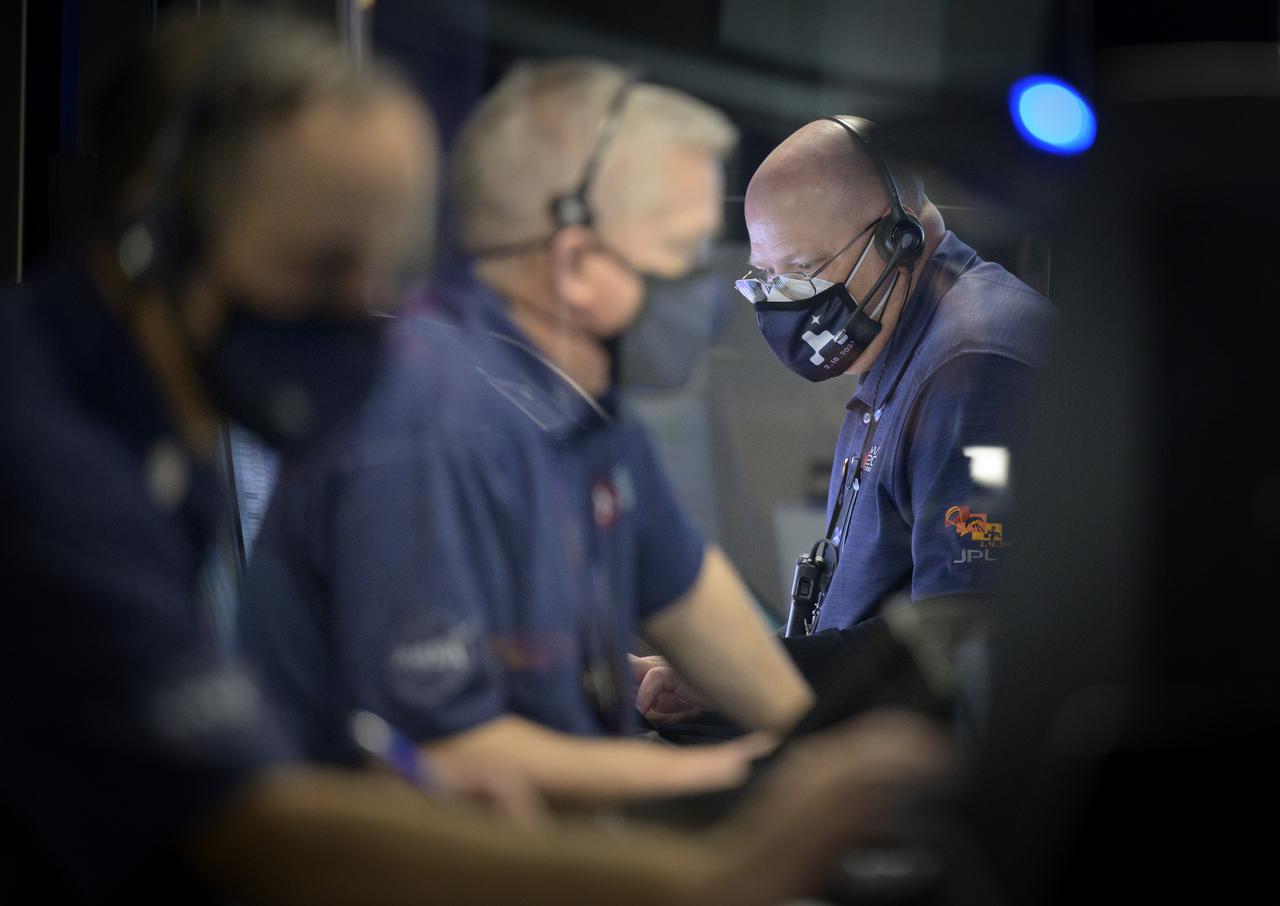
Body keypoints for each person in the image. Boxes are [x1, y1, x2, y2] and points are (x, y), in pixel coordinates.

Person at [0, 14, 951, 903]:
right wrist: (727, 859)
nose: (361, 319)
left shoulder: (172, 423)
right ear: (154, 244)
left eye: (377, 269)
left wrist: (811, 763)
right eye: (322, 267)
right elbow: (249, 823)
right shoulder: (53, 465)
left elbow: (693, 611)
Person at [239, 59, 815, 808]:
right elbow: (453, 757)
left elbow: (691, 601)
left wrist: (819, 745)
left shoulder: (588, 417)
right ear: (573, 264)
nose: (712, 294)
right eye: (683, 255)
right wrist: (769, 782)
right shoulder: (429, 421)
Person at [727, 116, 1057, 687]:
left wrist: (742, 679)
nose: (784, 300)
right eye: (767, 276)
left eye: (802, 270)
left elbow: (958, 643)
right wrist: (728, 678)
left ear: (898, 237)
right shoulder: (904, 344)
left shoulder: (975, 366)